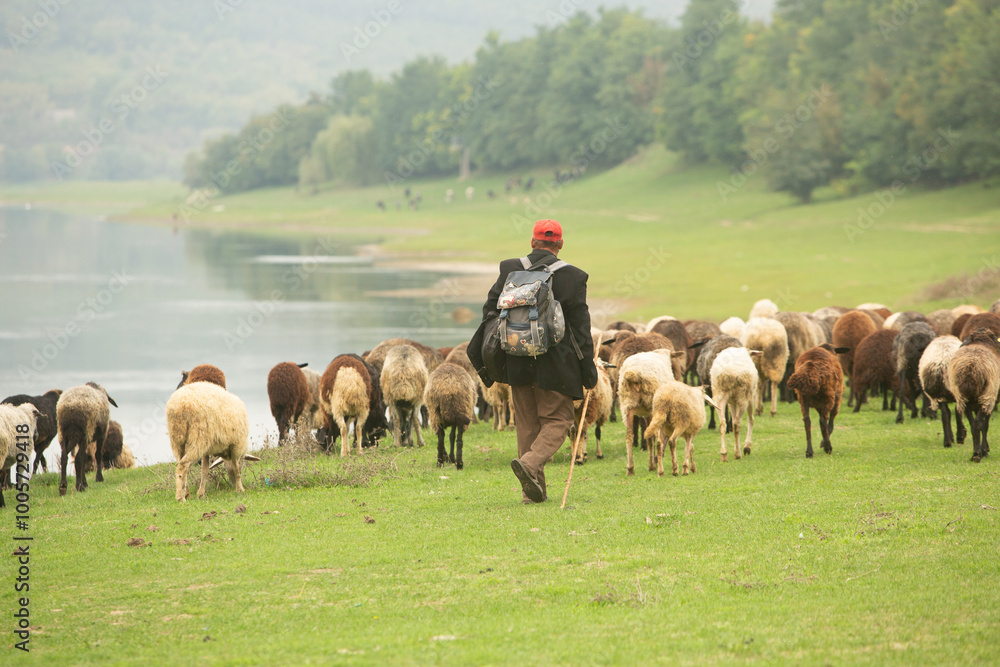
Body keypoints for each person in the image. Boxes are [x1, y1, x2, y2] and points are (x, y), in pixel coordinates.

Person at [474, 219, 597, 503]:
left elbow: (490, 311)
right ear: (560, 245)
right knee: (559, 419)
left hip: (516, 357)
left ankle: (533, 493)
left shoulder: (509, 269)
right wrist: (588, 371)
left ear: (532, 242)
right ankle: (529, 465)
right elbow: (581, 330)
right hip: (557, 363)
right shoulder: (574, 277)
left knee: (527, 424)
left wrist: (497, 352)